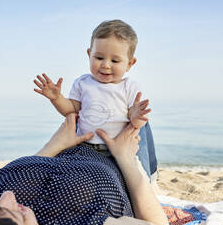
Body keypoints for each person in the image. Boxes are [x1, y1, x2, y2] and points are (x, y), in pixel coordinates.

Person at [0, 114, 169, 225]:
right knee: (137, 120)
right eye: (14, 213)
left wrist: (55, 145)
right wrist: (126, 157)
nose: (7, 197)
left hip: (65, 145)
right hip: (118, 160)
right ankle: (153, 180)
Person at [33, 19, 157, 180]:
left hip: (117, 149)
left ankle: (151, 178)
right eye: (99, 58)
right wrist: (57, 98)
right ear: (89, 54)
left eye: (114, 61)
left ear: (130, 63)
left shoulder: (129, 87)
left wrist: (137, 117)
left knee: (136, 175)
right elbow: (71, 110)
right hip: (84, 146)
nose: (105, 65)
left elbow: (134, 120)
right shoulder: (83, 83)